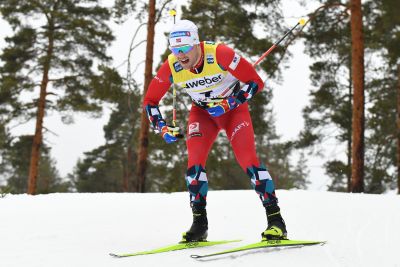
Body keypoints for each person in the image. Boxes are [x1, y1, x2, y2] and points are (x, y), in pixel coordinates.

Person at [143, 20, 287, 242]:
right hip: (203, 114)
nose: (180, 56)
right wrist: (162, 128)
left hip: (233, 111)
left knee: (248, 160)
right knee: (194, 166)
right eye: (174, 49)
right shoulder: (172, 65)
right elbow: (150, 101)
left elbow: (256, 82)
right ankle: (199, 225)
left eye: (184, 49)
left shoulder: (220, 53)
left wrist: (229, 104)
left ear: (197, 44)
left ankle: (276, 222)